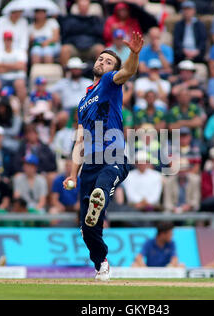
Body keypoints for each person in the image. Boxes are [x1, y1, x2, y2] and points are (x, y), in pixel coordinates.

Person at [62, 32, 144, 281]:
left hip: (114, 155)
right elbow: (80, 141)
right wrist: (72, 176)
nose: (103, 62)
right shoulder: (84, 100)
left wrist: (134, 54)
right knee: (87, 228)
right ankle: (101, 263)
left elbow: (127, 72)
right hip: (90, 163)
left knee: (107, 178)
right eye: (101, 59)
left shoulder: (110, 82)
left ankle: (101, 193)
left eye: (109, 61)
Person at [163, 127, 201, 213]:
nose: (183, 138)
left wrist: (186, 172)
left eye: (185, 136)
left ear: (190, 137)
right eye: (181, 136)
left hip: (189, 174)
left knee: (195, 179)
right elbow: (172, 167)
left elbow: (197, 167)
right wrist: (180, 171)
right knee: (168, 180)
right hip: (175, 174)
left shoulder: (194, 149)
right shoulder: (172, 149)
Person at [59, 0, 105, 67]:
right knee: (64, 49)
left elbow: (99, 35)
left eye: (85, 6)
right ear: (78, 7)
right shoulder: (71, 20)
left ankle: (99, 74)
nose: (83, 8)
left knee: (100, 49)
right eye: (81, 6)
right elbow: (66, 35)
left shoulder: (95, 20)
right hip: (75, 47)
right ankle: (65, 73)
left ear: (88, 7)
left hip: (91, 47)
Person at [0, 31, 28, 105]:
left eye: (10, 39)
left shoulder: (19, 51)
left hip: (17, 78)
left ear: (12, 40)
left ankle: (22, 110)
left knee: (20, 84)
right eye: (6, 39)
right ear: (3, 40)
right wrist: (15, 66)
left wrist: (3, 65)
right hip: (1, 78)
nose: (8, 41)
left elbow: (22, 66)